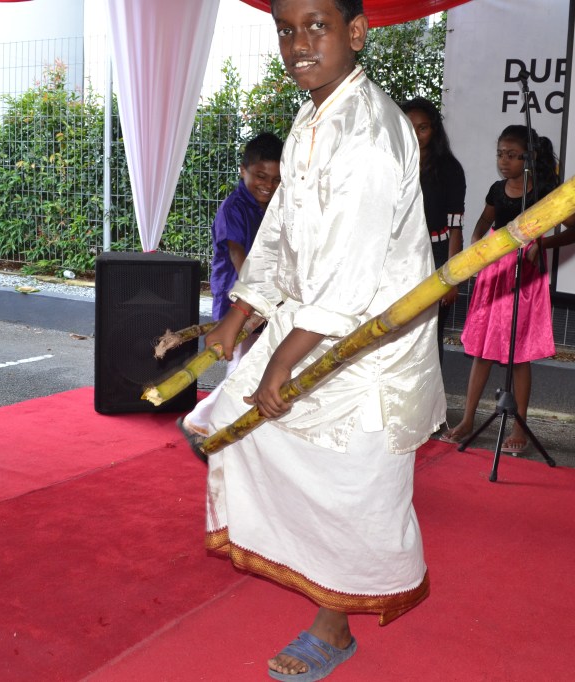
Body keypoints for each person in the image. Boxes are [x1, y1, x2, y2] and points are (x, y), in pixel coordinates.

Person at [200, 0, 444, 679]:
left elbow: (350, 275)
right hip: (312, 322)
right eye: (286, 29)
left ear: (355, 33)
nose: (298, 43)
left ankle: (333, 626)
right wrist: (240, 311)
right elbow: (281, 225)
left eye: (317, 25)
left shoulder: (369, 133)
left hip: (367, 344)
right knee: (243, 428)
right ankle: (309, 574)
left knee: (352, 486)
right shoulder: (313, 114)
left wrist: (278, 359)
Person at [442, 125, 575, 451]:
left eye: (512, 155)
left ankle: (519, 427)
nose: (503, 161)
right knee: (482, 350)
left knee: (518, 354)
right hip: (494, 273)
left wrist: (543, 243)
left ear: (529, 158)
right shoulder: (497, 189)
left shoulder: (544, 192)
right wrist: (477, 240)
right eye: (500, 154)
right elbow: (485, 221)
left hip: (524, 275)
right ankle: (468, 419)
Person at [178, 132, 283, 447]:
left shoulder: (275, 208)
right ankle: (200, 421)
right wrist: (256, 298)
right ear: (243, 170)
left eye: (277, 179)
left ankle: (213, 423)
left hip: (265, 300)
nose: (268, 184)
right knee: (242, 367)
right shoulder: (233, 208)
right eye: (260, 176)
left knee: (250, 365)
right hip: (238, 300)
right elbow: (239, 256)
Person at [400, 97, 466, 364]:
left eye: (423, 128)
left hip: (436, 256)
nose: (416, 134)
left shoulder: (449, 169)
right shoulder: (392, 164)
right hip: (398, 257)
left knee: (430, 332)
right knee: (398, 331)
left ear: (434, 130)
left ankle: (431, 390)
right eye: (410, 127)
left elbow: (456, 226)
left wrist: (451, 277)